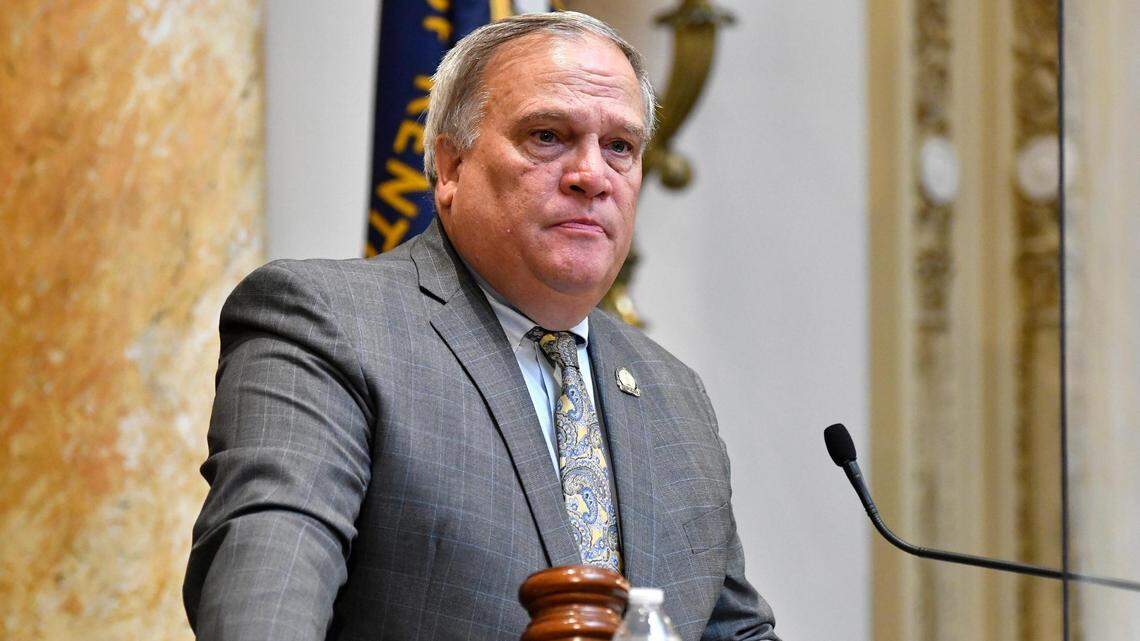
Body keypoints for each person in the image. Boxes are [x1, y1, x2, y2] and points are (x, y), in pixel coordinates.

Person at [183, 11, 780, 641]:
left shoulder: (673, 395)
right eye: (548, 136)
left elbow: (733, 631)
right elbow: (265, 603)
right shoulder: (331, 325)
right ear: (449, 167)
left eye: (620, 147)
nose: (591, 176)